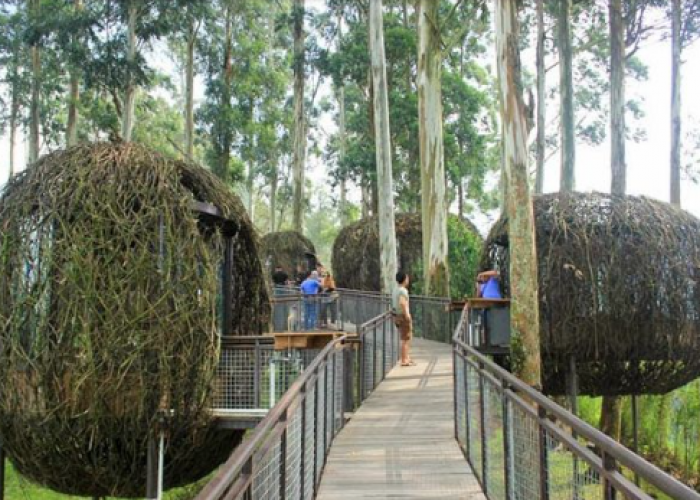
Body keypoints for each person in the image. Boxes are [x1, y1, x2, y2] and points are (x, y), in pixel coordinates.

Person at [392, 271, 415, 366]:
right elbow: (402, 303)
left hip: (397, 315)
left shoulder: (395, 289)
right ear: (404, 279)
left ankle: (407, 357)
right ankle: (404, 360)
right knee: (406, 338)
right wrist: (407, 315)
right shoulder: (403, 291)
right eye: (407, 278)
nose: (408, 280)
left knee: (407, 337)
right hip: (403, 316)